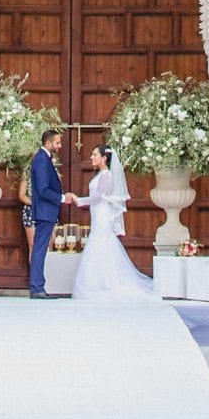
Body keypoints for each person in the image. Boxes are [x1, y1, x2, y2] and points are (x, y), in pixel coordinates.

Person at [70, 145, 158, 302]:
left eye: (94, 154)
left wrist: (78, 200)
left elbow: (98, 197)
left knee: (101, 242)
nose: (91, 157)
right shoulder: (101, 175)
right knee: (100, 243)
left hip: (102, 214)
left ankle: (105, 284)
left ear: (104, 158)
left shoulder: (106, 176)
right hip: (97, 213)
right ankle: (99, 282)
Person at [26, 129, 74, 299]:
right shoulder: (41, 160)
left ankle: (38, 285)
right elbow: (43, 189)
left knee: (41, 248)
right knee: (39, 248)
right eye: (57, 143)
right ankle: (37, 287)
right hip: (45, 211)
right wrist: (62, 197)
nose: (60, 146)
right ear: (48, 143)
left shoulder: (44, 158)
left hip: (47, 211)